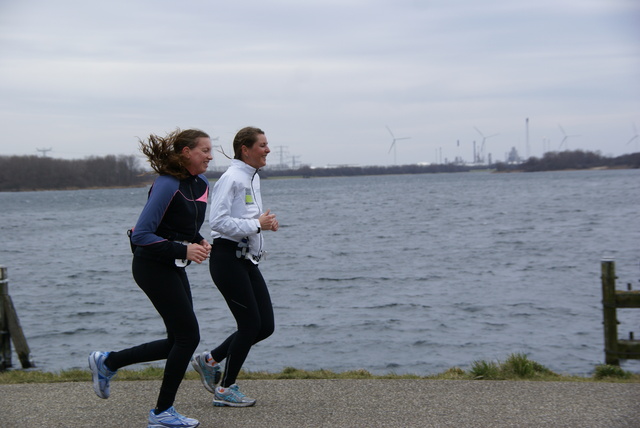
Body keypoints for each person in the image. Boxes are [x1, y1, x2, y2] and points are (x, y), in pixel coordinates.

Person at [89, 128, 212, 428]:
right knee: (188, 337)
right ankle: (161, 413)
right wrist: (185, 250)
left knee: (178, 340)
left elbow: (183, 224)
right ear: (186, 153)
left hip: (171, 264)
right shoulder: (167, 184)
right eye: (205, 150)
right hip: (151, 266)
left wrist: (199, 240)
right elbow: (143, 234)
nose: (210, 156)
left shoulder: (203, 183)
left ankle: (108, 362)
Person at [191, 126, 278, 407]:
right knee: (250, 324)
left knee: (265, 327)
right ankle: (226, 389)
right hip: (227, 259)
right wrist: (256, 224)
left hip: (246, 259)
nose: (267, 150)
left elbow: (248, 219)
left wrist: (264, 226)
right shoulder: (232, 178)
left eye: (267, 145)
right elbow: (217, 223)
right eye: (262, 145)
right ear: (245, 149)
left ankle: (210, 359)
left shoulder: (252, 178)